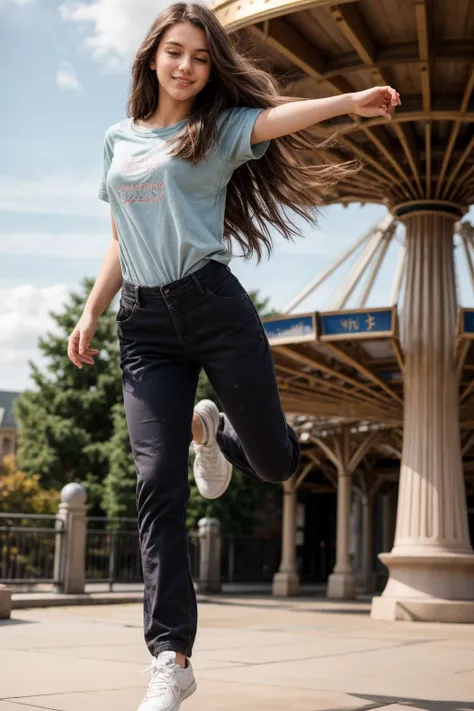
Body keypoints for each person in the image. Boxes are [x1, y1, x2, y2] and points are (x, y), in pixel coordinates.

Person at [67, 3, 400, 709]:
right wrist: (92, 310)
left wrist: (349, 100)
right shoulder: (117, 140)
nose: (187, 66)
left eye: (201, 57)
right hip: (145, 327)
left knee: (278, 462)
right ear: (153, 56)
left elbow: (278, 118)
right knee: (156, 484)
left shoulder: (214, 129)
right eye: (176, 52)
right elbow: (122, 236)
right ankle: (172, 656)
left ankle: (214, 435)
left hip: (215, 309)